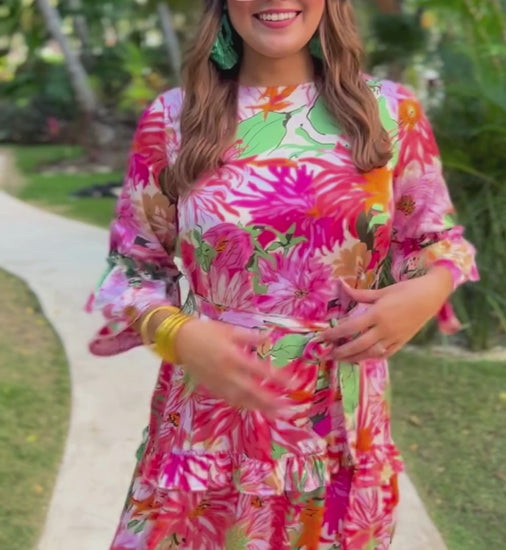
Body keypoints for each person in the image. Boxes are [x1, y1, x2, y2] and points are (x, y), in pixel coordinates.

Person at [87, 0, 479, 548]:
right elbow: (132, 268)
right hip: (210, 426)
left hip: (342, 427)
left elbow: (437, 241)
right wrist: (177, 333)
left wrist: (425, 293)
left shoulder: (390, 112)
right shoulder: (174, 117)